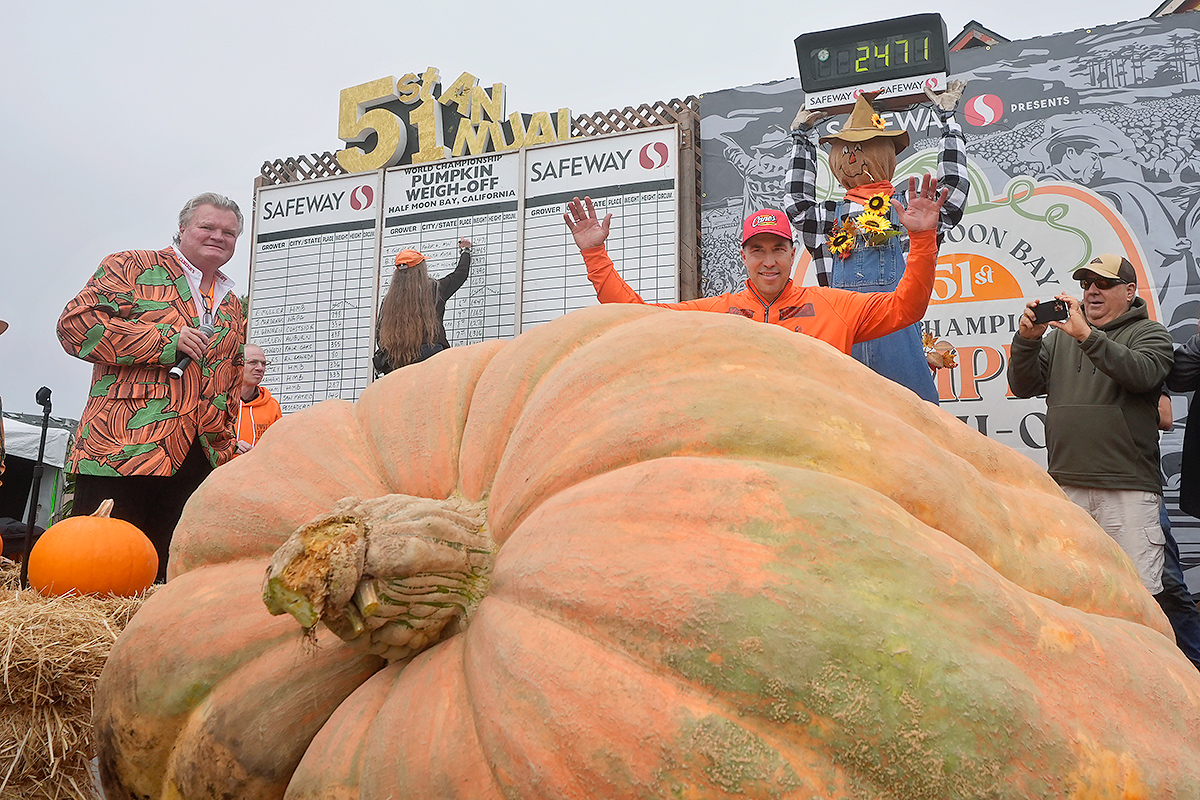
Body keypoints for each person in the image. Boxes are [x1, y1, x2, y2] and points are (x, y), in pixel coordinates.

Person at [57, 192, 245, 581]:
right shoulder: (131, 266)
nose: (218, 236)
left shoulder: (231, 303)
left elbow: (230, 374)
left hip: (199, 455)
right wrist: (165, 341)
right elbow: (74, 328)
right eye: (207, 227)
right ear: (182, 229)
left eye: (228, 232)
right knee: (96, 569)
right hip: (125, 444)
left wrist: (227, 447)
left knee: (167, 575)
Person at [562, 174, 948, 356]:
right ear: (743, 256)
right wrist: (595, 255)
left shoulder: (835, 307)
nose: (768, 262)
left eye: (777, 249)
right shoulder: (717, 313)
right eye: (758, 250)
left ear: (793, 253)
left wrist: (921, 239)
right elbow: (638, 317)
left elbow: (906, 307)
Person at [1008, 254, 1178, 631]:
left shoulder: (1151, 333)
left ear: (1130, 291)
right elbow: (1023, 386)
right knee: (1075, 593)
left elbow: (1142, 373)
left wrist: (1086, 335)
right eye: (1086, 284)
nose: (1092, 291)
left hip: (1127, 490)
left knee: (1137, 602)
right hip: (1067, 488)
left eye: (1103, 283)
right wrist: (1027, 340)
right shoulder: (1060, 339)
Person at [784, 85, 969, 402]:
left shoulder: (910, 209)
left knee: (914, 432)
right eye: (844, 149)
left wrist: (949, 121)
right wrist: (800, 139)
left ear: (885, 154)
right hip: (842, 345)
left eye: (862, 148)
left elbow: (951, 195)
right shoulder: (828, 218)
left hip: (899, 340)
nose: (851, 157)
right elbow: (796, 203)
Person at [373, 238, 472, 375]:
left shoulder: (388, 301)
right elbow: (460, 275)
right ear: (421, 270)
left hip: (398, 365)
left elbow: (380, 337)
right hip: (432, 362)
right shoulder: (435, 290)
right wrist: (465, 251)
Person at [235, 343, 282, 455]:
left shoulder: (272, 406)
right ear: (237, 365)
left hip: (258, 470)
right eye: (253, 362)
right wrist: (230, 447)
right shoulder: (218, 401)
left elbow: (279, 445)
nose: (260, 368)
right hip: (220, 470)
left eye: (264, 364)